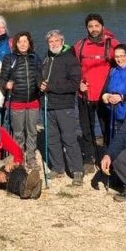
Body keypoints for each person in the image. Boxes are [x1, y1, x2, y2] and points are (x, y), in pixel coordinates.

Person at [74, 13, 119, 172]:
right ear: (87, 28)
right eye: (90, 26)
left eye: (96, 26)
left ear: (102, 26)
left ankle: (109, 157)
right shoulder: (80, 45)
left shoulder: (112, 44)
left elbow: (121, 65)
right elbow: (73, 68)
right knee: (86, 128)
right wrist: (77, 83)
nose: (93, 29)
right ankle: (89, 157)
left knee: (107, 129)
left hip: (104, 96)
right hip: (84, 95)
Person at [40, 30, 84, 186]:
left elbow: (73, 84)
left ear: (62, 41)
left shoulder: (70, 59)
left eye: (56, 41)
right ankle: (58, 167)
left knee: (69, 139)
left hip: (64, 106)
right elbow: (42, 79)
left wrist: (51, 86)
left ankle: (77, 171)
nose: (54, 44)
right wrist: (41, 85)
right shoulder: (46, 59)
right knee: (52, 139)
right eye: (51, 42)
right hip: (48, 105)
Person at [0, 31, 43, 169]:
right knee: (18, 133)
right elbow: (2, 78)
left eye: (25, 41)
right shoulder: (9, 58)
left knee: (32, 131)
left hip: (33, 101)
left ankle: (31, 158)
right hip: (17, 101)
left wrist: (42, 84)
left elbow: (39, 76)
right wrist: (6, 85)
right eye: (20, 42)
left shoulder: (35, 57)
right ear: (15, 44)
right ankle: (18, 157)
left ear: (29, 43)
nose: (23, 44)